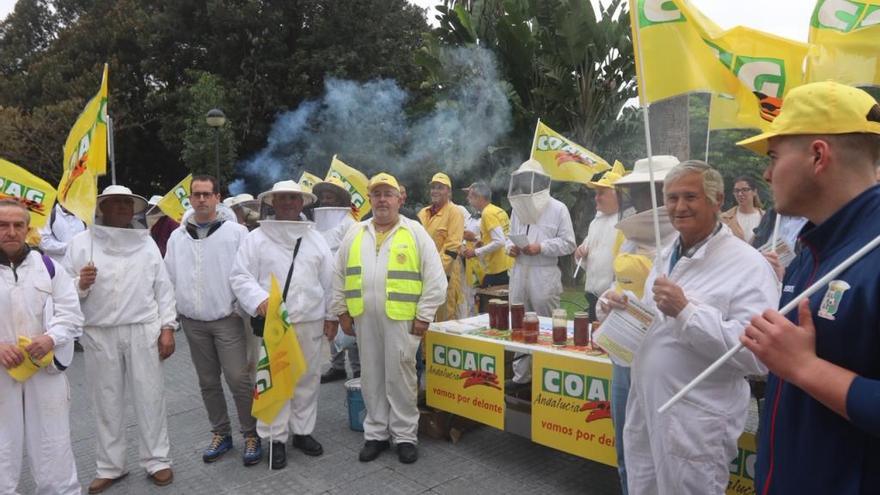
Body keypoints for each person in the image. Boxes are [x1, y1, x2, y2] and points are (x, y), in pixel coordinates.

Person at [600, 161, 779, 495]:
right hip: (648, 407)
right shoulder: (668, 253)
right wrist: (620, 309)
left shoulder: (748, 265)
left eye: (690, 197)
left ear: (716, 200)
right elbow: (657, 323)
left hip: (694, 423)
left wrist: (687, 312)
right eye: (672, 198)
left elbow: (759, 357)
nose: (679, 207)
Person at [736, 81, 880, 494]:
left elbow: (802, 367)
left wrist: (805, 367)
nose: (765, 173)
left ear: (818, 155)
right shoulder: (814, 249)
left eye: (774, 156)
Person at [63, 185, 178, 493]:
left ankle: (157, 460)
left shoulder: (146, 243)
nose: (123, 209)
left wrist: (168, 327)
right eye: (116, 204)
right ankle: (110, 466)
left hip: (143, 328)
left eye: (127, 204)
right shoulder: (79, 244)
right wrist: (80, 284)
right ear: (102, 208)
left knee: (150, 396)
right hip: (99, 331)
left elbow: (163, 288)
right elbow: (60, 292)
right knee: (106, 401)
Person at [332, 173, 447, 464]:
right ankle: (376, 435)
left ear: (400, 198)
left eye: (388, 194)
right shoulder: (356, 232)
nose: (382, 199)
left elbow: (435, 279)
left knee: (401, 379)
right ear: (369, 199)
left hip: (403, 321)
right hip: (364, 320)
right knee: (371, 377)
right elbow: (339, 274)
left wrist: (424, 316)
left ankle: (405, 436)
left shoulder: (415, 232)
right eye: (377, 194)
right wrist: (341, 311)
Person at [230, 180, 336, 470]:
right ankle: (275, 439)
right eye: (283, 198)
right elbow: (240, 276)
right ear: (272, 203)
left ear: (302, 202)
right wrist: (259, 300)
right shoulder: (256, 238)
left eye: (294, 197)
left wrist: (332, 317)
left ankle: (302, 432)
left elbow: (329, 282)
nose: (288, 202)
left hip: (310, 322)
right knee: (273, 380)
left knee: (306, 378)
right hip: (274, 324)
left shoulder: (316, 239)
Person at [164, 175, 261, 466]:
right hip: (194, 322)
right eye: (197, 194)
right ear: (190, 199)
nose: (202, 200)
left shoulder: (235, 232)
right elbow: (168, 278)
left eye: (207, 194)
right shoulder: (177, 236)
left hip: (227, 319)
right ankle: (221, 433)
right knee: (207, 381)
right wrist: (173, 318)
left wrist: (240, 308)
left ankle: (252, 434)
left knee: (238, 378)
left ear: (217, 197)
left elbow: (249, 272)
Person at [604, 155, 679, 495]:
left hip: (668, 363)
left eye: (644, 190)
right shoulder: (629, 236)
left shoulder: (688, 240)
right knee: (629, 450)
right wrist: (607, 302)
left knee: (667, 456)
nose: (638, 199)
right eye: (634, 191)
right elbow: (618, 285)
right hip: (625, 355)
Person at [0, 199, 84, 495]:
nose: (10, 231)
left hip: (43, 369)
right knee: (2, 444)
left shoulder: (48, 267)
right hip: (1, 372)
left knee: (53, 441)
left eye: (17, 225)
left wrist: (51, 337)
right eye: (3, 225)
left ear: (28, 229)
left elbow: (71, 314)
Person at [505, 159, 576, 384]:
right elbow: (509, 236)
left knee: (546, 326)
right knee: (519, 325)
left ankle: (548, 379)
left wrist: (542, 247)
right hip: (519, 272)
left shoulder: (558, 208)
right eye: (522, 180)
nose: (525, 185)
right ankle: (521, 378)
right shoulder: (517, 209)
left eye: (529, 180)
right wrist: (512, 248)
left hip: (544, 274)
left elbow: (569, 243)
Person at [312, 177, 361, 384]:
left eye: (329, 196)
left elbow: (353, 253)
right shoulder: (315, 223)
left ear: (339, 198)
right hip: (322, 282)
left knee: (349, 326)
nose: (325, 200)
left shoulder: (349, 222)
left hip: (344, 282)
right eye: (322, 196)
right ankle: (337, 366)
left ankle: (358, 369)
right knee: (330, 324)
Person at [574, 162, 624, 321]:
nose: (596, 197)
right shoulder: (596, 221)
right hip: (592, 297)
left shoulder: (626, 222)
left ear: (617, 194)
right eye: (596, 193)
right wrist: (580, 252)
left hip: (613, 300)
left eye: (601, 193)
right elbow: (586, 253)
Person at [417, 173, 464, 321]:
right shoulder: (423, 213)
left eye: (440, 188)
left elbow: (452, 247)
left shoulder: (454, 212)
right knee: (424, 317)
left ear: (449, 192)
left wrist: (433, 272)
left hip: (445, 276)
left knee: (445, 319)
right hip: (422, 274)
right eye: (433, 187)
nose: (435, 191)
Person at [463, 181, 512, 288]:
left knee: (488, 302)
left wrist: (475, 252)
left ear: (480, 198)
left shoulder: (487, 213)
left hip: (497, 269)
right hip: (507, 265)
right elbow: (505, 236)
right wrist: (482, 242)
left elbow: (500, 241)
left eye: (471, 197)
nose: (469, 200)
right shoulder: (499, 210)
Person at [720, 175, 764, 243]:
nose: (740, 194)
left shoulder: (766, 218)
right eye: (736, 191)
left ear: (754, 192)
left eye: (745, 190)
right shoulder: (725, 218)